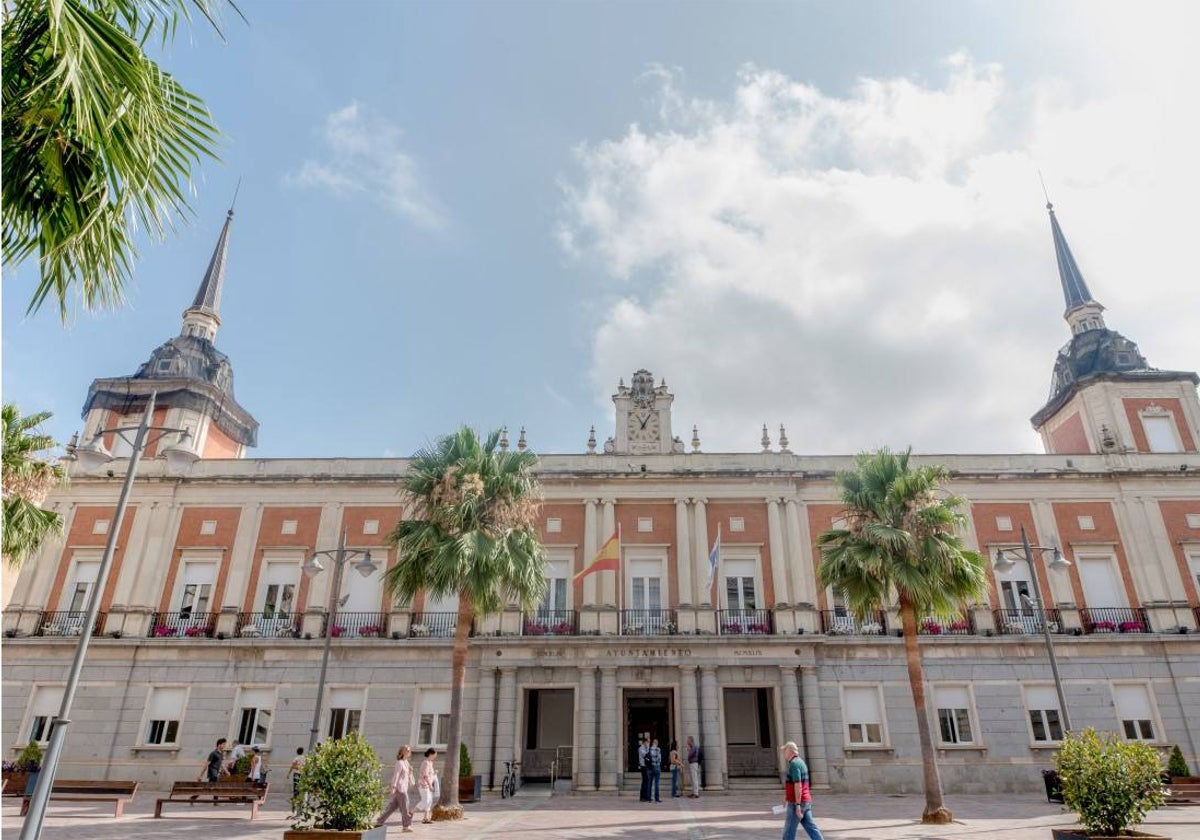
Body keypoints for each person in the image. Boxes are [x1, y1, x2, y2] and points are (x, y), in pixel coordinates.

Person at [780, 741, 824, 840]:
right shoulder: (800, 762)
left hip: (797, 802)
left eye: (784, 751)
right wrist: (786, 797)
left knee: (788, 832)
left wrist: (798, 805)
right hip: (806, 800)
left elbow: (798, 785)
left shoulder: (794, 764)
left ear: (789, 751)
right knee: (811, 828)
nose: (783, 754)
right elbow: (792, 784)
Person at [377, 745, 415, 832]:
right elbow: (396, 775)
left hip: (404, 788)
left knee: (392, 807)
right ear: (402, 752)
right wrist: (393, 787)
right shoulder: (400, 763)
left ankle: (380, 821)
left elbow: (407, 776)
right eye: (407, 750)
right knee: (405, 807)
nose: (409, 752)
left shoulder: (406, 762)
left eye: (409, 750)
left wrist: (411, 771)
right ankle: (406, 826)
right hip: (400, 788)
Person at [417, 747, 438, 824]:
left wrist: (434, 773)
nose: (435, 757)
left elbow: (429, 774)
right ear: (430, 754)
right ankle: (423, 817)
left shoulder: (430, 763)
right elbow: (425, 775)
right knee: (426, 801)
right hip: (423, 785)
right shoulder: (425, 762)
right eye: (434, 755)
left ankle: (425, 817)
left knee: (428, 801)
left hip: (428, 785)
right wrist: (430, 785)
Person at [648, 738, 663, 803]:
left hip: (650, 767)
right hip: (657, 766)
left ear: (652, 743)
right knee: (656, 783)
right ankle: (656, 798)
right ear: (656, 743)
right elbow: (660, 759)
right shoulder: (658, 749)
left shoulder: (649, 749)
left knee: (650, 783)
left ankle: (649, 798)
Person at [637, 735, 651, 802]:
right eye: (648, 742)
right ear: (645, 742)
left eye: (649, 742)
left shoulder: (647, 748)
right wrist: (648, 747)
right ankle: (642, 797)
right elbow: (646, 755)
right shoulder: (641, 748)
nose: (649, 743)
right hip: (643, 767)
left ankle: (647, 796)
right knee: (645, 782)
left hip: (647, 767)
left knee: (647, 782)